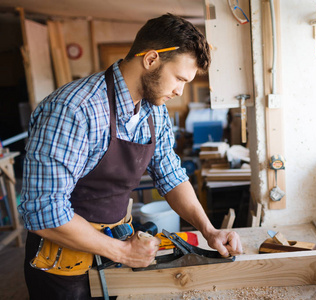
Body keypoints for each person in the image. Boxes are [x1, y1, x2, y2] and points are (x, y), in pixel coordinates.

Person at [18, 13, 243, 299]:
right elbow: (43, 211)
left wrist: (209, 231)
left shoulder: (154, 110)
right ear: (150, 60)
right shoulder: (74, 109)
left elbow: (170, 175)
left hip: (115, 246)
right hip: (62, 263)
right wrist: (123, 252)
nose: (179, 90)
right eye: (178, 78)